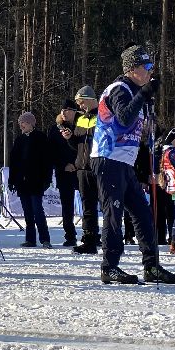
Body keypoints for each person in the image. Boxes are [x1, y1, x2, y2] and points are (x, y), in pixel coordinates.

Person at [92, 45, 175, 284]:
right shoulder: (119, 89)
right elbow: (123, 118)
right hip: (108, 158)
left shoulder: (134, 91)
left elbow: (140, 132)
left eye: (151, 66)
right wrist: (143, 94)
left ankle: (151, 266)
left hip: (125, 162)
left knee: (143, 213)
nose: (151, 71)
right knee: (114, 212)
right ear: (132, 69)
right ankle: (109, 267)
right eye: (147, 66)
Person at [8, 111, 53, 247]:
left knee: (37, 210)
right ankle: (30, 239)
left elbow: (47, 160)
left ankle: (45, 239)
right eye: (20, 123)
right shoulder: (19, 140)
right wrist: (12, 180)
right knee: (27, 211)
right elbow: (13, 161)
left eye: (25, 123)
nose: (22, 125)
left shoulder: (40, 138)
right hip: (22, 182)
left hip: (36, 181)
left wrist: (47, 179)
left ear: (31, 124)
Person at [71, 85, 101, 253]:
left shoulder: (103, 115)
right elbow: (77, 144)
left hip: (99, 165)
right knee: (87, 204)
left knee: (107, 204)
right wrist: (69, 138)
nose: (80, 106)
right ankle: (89, 239)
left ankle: (112, 237)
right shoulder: (81, 119)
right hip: (83, 167)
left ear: (91, 100)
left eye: (81, 102)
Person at [49, 99, 81, 247]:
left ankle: (91, 234)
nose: (64, 113)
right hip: (64, 171)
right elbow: (51, 151)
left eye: (67, 110)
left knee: (88, 202)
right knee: (67, 205)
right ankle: (70, 235)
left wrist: (77, 164)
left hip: (81, 168)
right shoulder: (55, 129)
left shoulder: (82, 125)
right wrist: (63, 165)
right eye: (62, 110)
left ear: (74, 111)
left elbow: (85, 147)